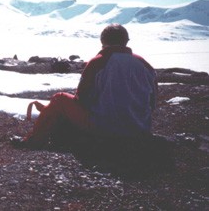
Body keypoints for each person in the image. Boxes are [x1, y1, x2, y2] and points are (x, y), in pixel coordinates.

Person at [13, 24, 157, 148]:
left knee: (60, 98)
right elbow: (153, 101)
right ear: (126, 41)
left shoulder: (99, 62)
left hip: (104, 128)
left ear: (103, 41)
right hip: (139, 128)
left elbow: (82, 98)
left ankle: (33, 141)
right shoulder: (145, 64)